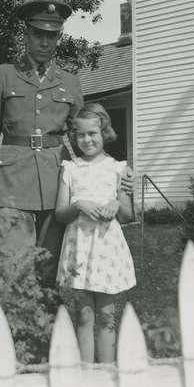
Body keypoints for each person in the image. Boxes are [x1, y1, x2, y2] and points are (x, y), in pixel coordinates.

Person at [0, 0, 133, 286]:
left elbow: (88, 137)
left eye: (52, 35)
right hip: (10, 185)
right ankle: (14, 330)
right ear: (26, 35)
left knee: (50, 272)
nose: (45, 42)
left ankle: (49, 331)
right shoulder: (4, 74)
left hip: (55, 185)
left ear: (59, 38)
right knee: (14, 270)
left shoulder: (70, 83)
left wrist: (116, 175)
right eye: (38, 34)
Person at [55, 103, 136, 363]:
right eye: (81, 135)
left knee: (106, 315)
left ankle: (107, 371)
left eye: (93, 133)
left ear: (104, 133)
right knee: (84, 314)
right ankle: (86, 373)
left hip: (106, 248)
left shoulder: (118, 169)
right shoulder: (70, 169)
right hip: (79, 247)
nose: (87, 140)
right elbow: (60, 214)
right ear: (74, 137)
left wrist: (116, 204)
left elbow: (127, 215)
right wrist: (78, 205)